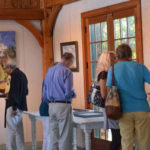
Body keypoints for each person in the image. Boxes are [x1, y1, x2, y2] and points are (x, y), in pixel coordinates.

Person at [106, 44, 150, 150]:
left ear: (117, 55)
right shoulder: (140, 67)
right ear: (130, 54)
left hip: (123, 110)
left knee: (126, 142)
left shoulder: (113, 69)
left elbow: (108, 90)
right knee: (143, 142)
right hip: (142, 108)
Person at [42, 53, 76, 150]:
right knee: (65, 135)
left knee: (53, 135)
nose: (71, 65)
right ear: (68, 61)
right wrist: (73, 94)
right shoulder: (67, 71)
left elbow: (44, 91)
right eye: (71, 63)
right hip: (63, 105)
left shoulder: (50, 70)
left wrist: (49, 101)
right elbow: (68, 92)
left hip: (51, 105)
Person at [96, 51, 121, 150]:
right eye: (115, 58)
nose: (117, 60)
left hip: (109, 106)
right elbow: (103, 94)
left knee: (117, 137)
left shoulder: (103, 72)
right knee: (117, 137)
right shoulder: (104, 74)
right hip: (111, 106)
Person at [5, 61, 28, 150]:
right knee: (19, 131)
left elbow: (14, 92)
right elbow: (26, 92)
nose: (5, 70)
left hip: (13, 107)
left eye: (6, 68)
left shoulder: (13, 76)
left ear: (10, 67)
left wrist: (14, 107)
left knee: (11, 130)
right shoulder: (23, 75)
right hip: (21, 106)